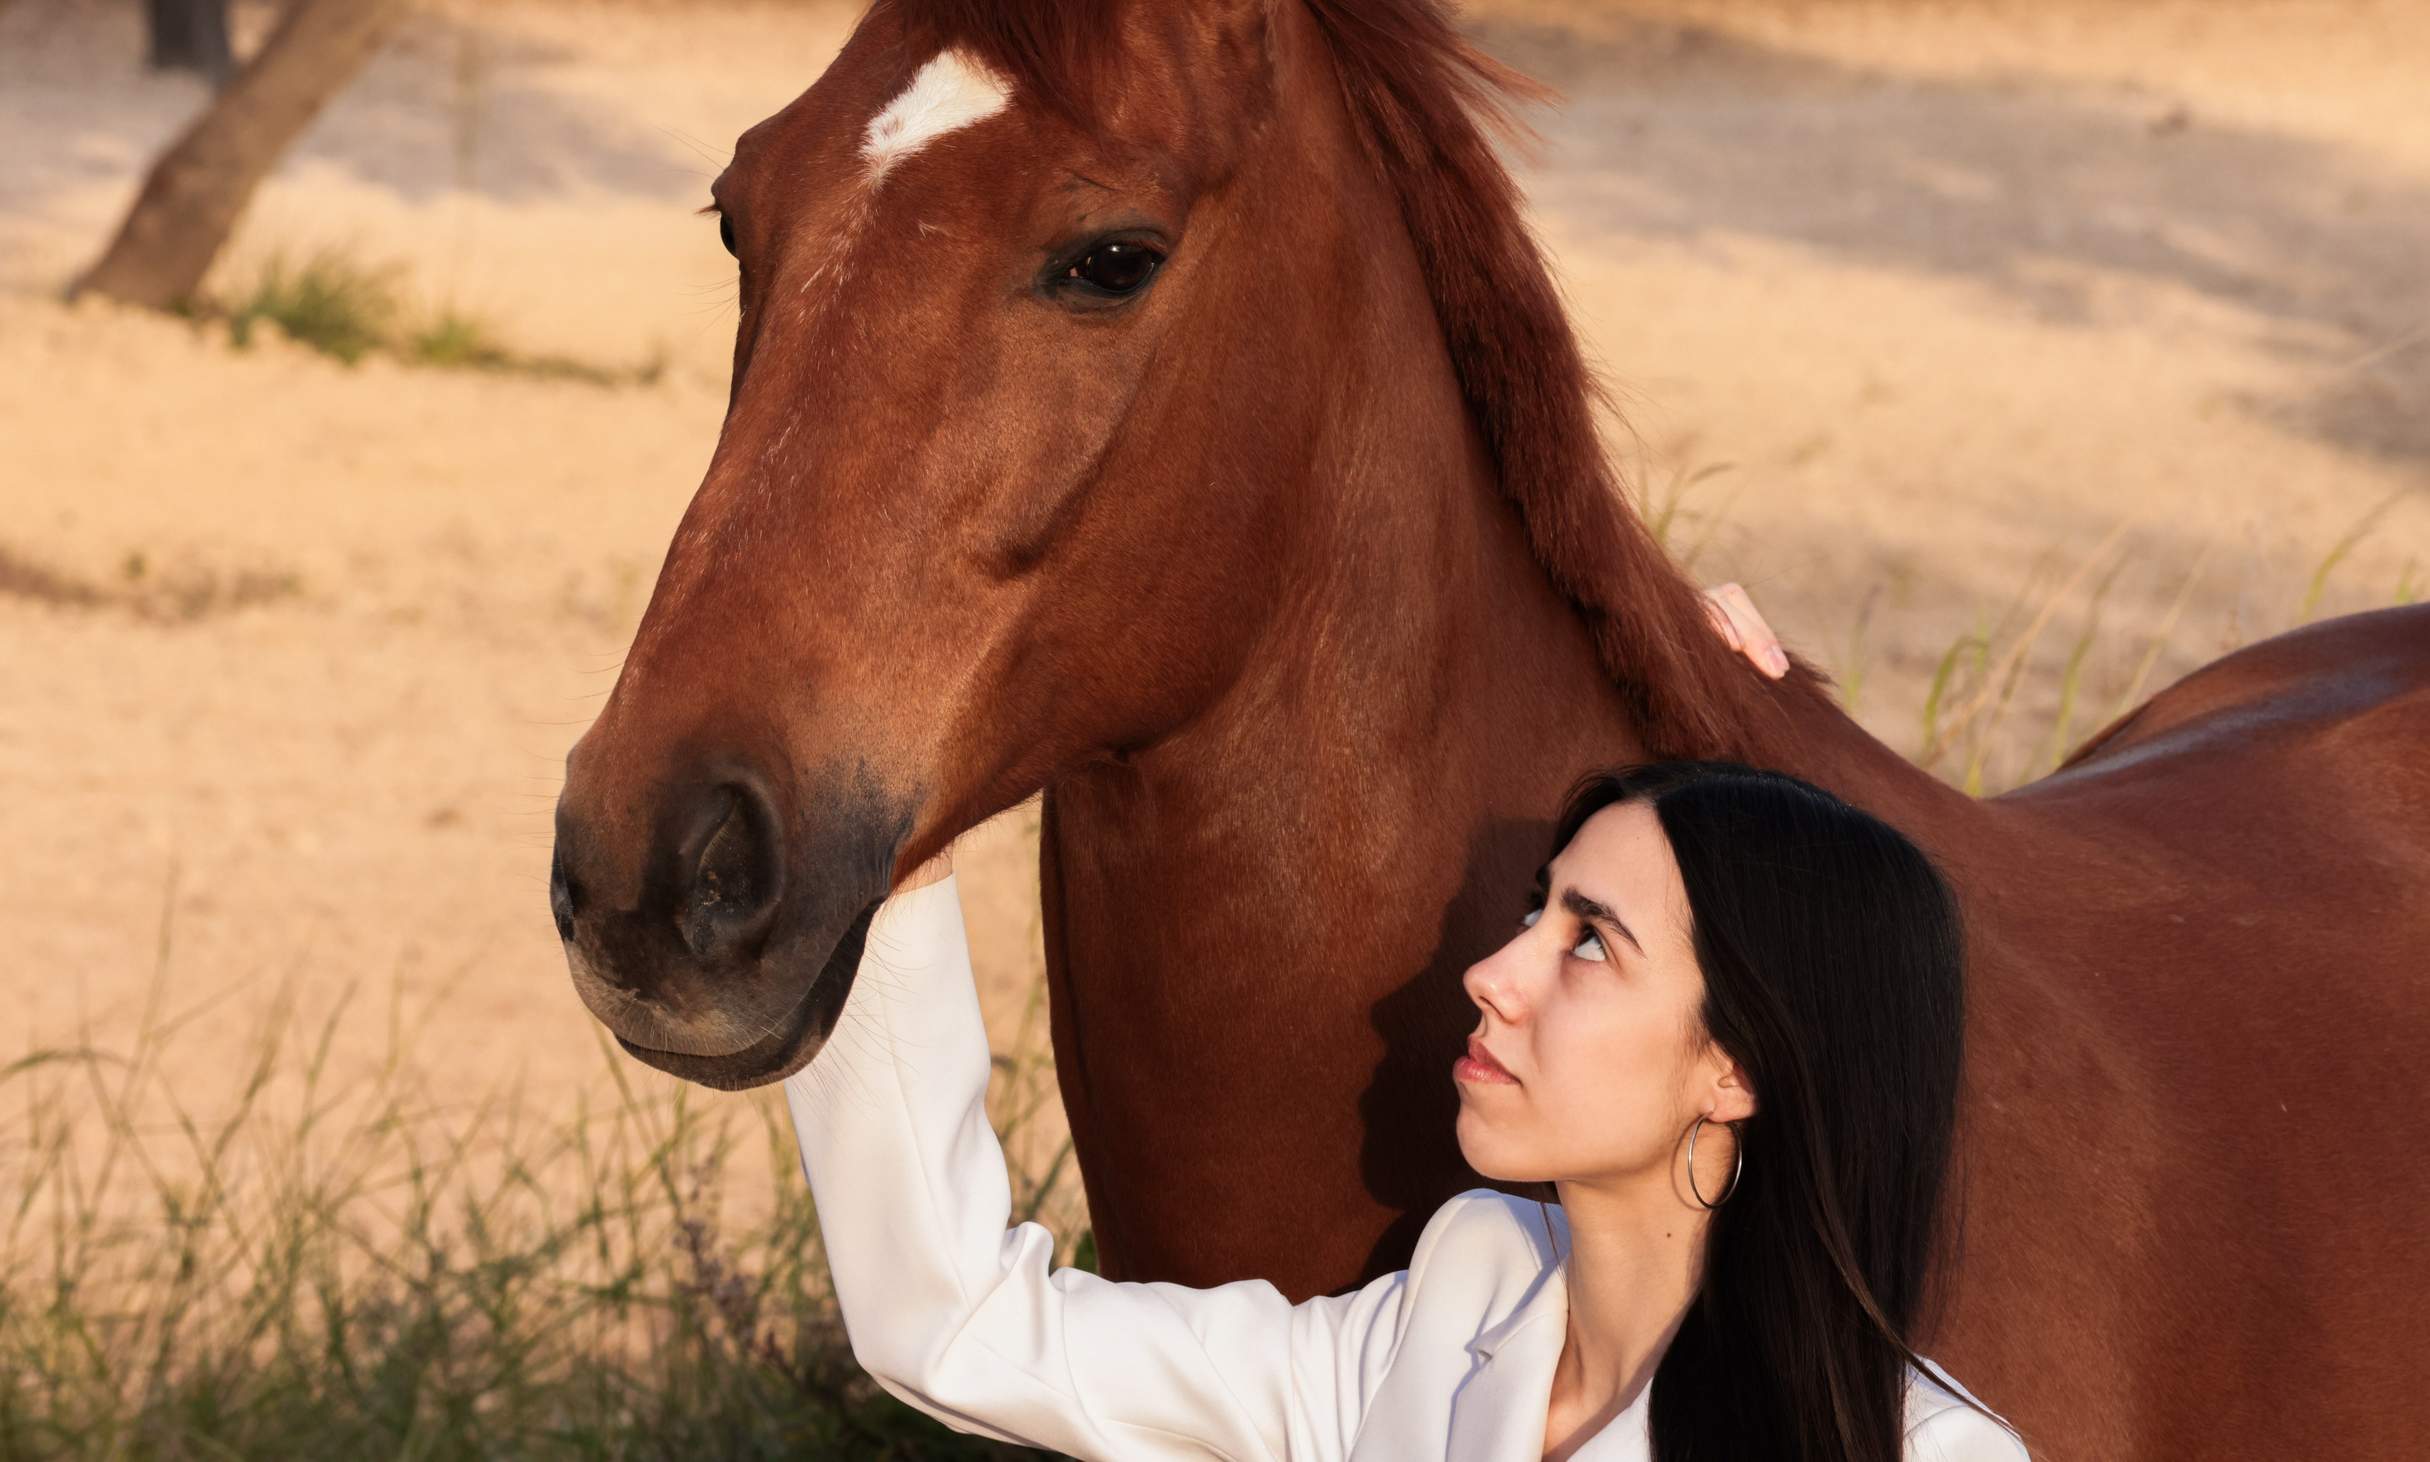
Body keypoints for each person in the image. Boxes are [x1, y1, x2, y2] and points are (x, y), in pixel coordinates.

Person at [784, 621, 2025, 1462]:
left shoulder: (1928, 1454)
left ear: (1737, 1068)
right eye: (1537, 911)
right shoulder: (1451, 1309)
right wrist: (885, 834)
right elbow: (962, 1327)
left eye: (1589, 943)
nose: (1491, 974)